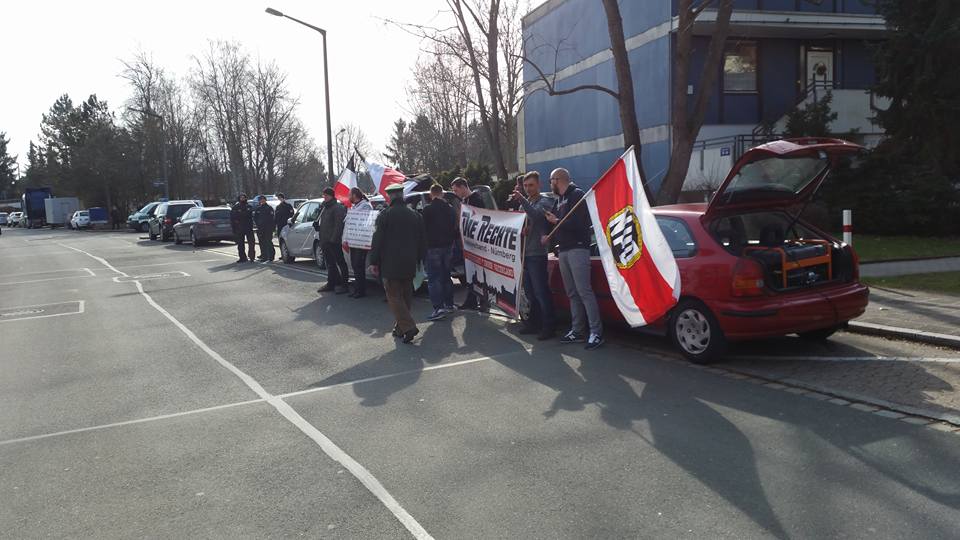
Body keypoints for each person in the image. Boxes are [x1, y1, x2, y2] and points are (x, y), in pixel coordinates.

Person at [543, 168, 603, 350]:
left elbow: (580, 224)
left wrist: (557, 221)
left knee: (584, 291)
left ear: (558, 179)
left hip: (578, 248)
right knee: (572, 293)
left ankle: (596, 332)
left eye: (550, 180)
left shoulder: (577, 195)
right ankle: (577, 330)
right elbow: (552, 221)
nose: (550, 184)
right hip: (564, 250)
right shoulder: (559, 200)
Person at [369, 182, 426, 344]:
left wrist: (373, 261)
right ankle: (400, 328)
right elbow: (423, 238)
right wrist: (421, 258)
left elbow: (377, 239)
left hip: (390, 262)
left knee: (394, 296)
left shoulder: (385, 215)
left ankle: (408, 327)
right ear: (402, 195)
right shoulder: (415, 215)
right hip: (410, 261)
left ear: (389, 197)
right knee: (406, 295)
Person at [509, 171, 556, 340]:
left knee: (541, 291)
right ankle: (534, 323)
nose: (528, 189)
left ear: (539, 185)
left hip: (537, 253)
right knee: (529, 292)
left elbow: (537, 214)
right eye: (526, 186)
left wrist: (521, 198)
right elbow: (522, 222)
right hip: (525, 253)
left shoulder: (545, 200)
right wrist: (522, 230)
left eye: (531, 185)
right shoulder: (525, 203)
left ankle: (549, 326)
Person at [422, 184, 458, 321]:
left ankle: (438, 307)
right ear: (442, 194)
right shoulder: (449, 209)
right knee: (446, 275)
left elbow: (423, 229)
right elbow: (455, 226)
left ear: (431, 195)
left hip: (432, 247)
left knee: (434, 278)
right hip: (448, 246)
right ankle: (449, 304)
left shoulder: (427, 210)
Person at [450, 177, 487, 311]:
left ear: (463, 187)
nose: (455, 193)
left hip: (477, 243)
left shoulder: (476, 199)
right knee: (470, 273)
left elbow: (480, 219)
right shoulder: (464, 201)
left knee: (480, 273)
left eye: (456, 190)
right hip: (467, 243)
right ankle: (471, 300)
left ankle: (484, 302)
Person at [315, 187, 349, 294]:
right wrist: (318, 227)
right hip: (325, 240)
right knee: (330, 263)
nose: (324, 197)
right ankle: (332, 282)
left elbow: (338, 225)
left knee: (340, 262)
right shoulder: (325, 208)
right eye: (323, 195)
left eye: (326, 195)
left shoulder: (337, 208)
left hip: (334, 241)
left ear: (331, 196)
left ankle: (344, 284)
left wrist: (334, 239)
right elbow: (326, 225)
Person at [346, 187, 372, 298]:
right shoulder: (355, 206)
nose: (348, 197)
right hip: (353, 240)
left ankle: (361, 290)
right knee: (355, 265)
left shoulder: (365, 206)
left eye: (349, 195)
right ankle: (357, 289)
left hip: (361, 240)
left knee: (359, 265)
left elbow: (365, 221)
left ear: (354, 195)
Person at [230, 193, 256, 263]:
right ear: (239, 199)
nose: (242, 199)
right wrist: (234, 229)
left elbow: (249, 214)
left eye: (244, 197)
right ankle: (242, 257)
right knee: (240, 244)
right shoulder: (235, 207)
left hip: (248, 227)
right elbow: (233, 217)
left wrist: (240, 213)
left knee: (251, 243)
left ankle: (251, 257)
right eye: (241, 197)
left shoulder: (249, 206)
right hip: (239, 228)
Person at [254, 195, 275, 262]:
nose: (262, 200)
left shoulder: (269, 208)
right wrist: (258, 225)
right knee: (262, 242)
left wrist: (272, 228)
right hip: (260, 228)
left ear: (265, 200)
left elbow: (272, 218)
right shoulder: (258, 208)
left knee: (268, 242)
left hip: (268, 228)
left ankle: (271, 256)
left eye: (263, 199)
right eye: (261, 199)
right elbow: (255, 218)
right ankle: (264, 256)